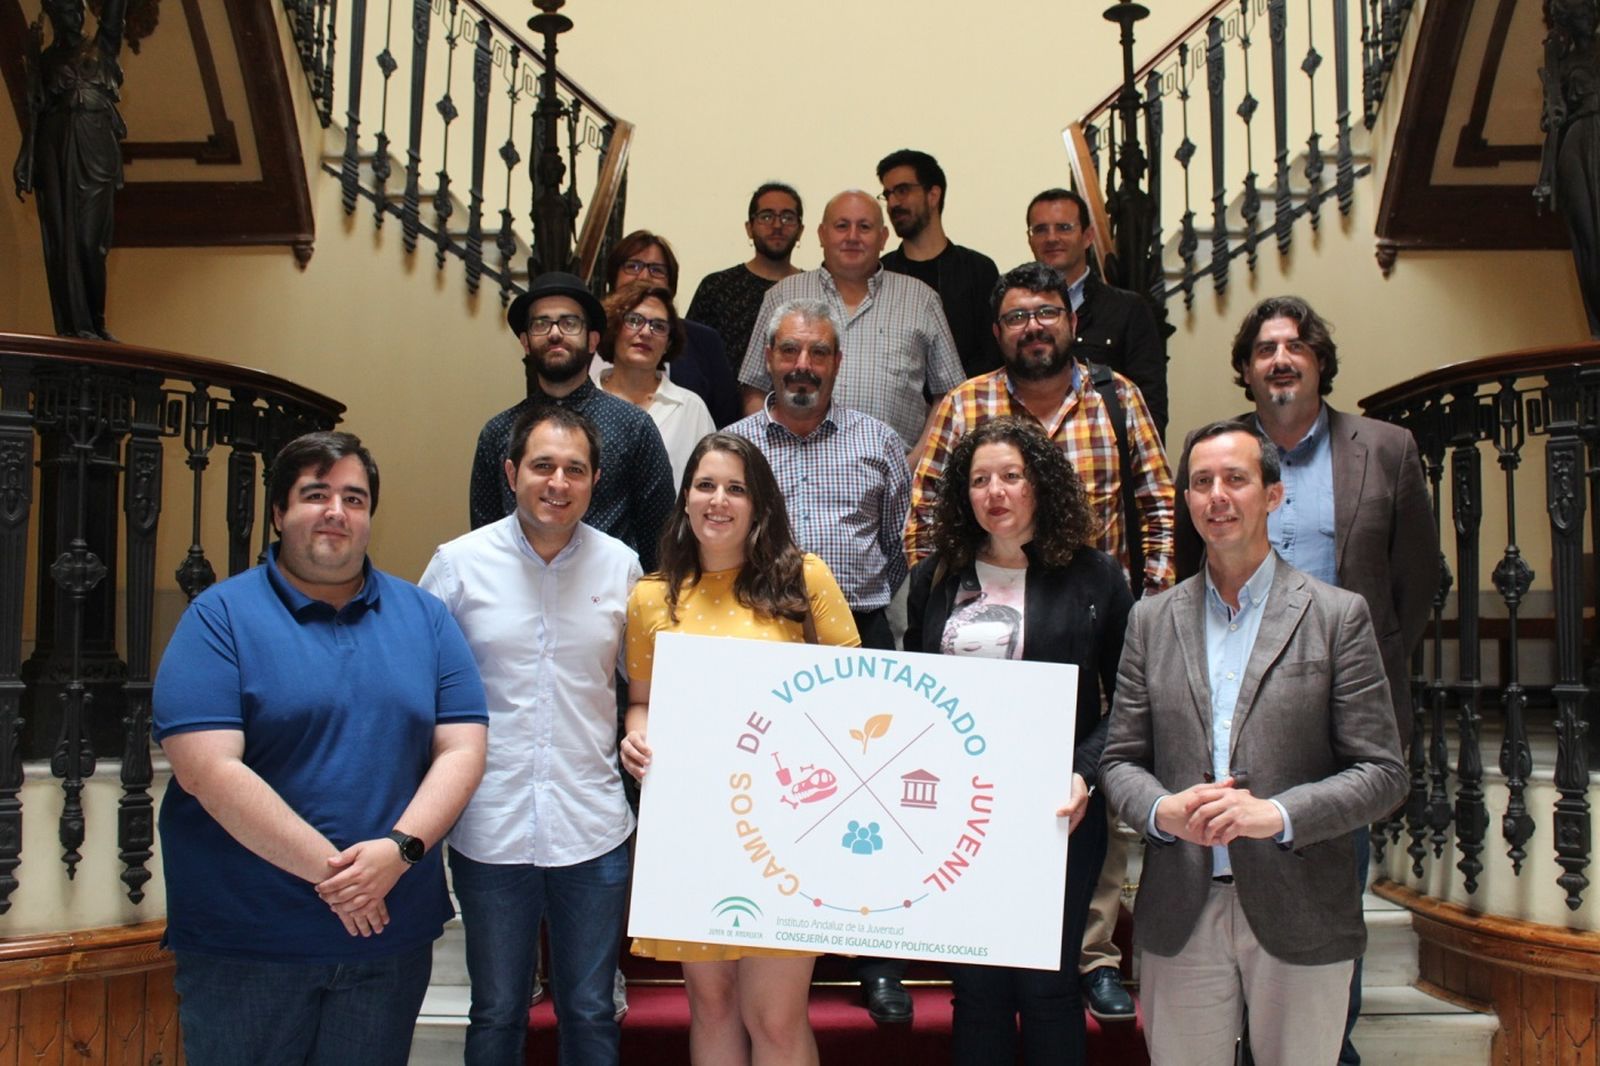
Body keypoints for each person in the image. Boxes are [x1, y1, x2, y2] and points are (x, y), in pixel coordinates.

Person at [153, 431, 489, 1065]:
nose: (336, 511)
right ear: (279, 513)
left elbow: (463, 749)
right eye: (316, 494)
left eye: (354, 499)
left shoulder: (425, 618)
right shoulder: (218, 618)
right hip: (248, 943)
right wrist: (345, 881)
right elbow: (207, 769)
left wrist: (399, 850)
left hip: (388, 941)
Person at [1173, 295, 1435, 1064]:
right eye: (1264, 349)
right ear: (1246, 369)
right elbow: (1196, 569)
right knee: (1231, 882)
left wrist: (1358, 670)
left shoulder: (1384, 449)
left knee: (1330, 888)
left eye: (1295, 346)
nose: (1280, 360)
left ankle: (1324, 1043)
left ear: (1319, 360)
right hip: (1232, 705)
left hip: (1337, 714)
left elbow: (1416, 580)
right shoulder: (1218, 453)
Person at [1099, 420, 1408, 1066]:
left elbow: (1382, 772)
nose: (1217, 496)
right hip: (1181, 910)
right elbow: (1121, 759)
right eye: (1201, 482)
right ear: (1187, 500)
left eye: (1235, 479)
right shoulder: (1150, 621)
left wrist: (1278, 814)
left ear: (1272, 494)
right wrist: (1160, 810)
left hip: (1303, 907)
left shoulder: (1336, 615)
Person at [621, 433, 861, 1066]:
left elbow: (857, 696)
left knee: (774, 1017)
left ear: (759, 503)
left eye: (736, 488)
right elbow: (642, 700)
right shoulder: (652, 596)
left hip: (788, 827)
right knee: (713, 1006)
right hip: (693, 828)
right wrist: (637, 735)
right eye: (705, 485)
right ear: (685, 499)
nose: (718, 500)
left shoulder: (804, 579)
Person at [904, 418, 1132, 1065]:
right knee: (976, 990)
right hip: (960, 813)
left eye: (1011, 476)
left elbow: (1130, 698)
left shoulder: (1095, 576)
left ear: (1041, 484)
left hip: (1059, 809)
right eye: (979, 480)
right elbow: (914, 695)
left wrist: (1085, 772)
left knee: (1048, 988)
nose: (994, 492)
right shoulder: (936, 578)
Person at [423, 406, 640, 1066]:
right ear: (512, 472)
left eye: (575, 469)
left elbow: (644, 687)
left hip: (592, 826)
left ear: (595, 480)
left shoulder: (622, 568)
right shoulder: (458, 566)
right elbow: (417, 686)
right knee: (496, 1011)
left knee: (591, 1010)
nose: (558, 483)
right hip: (490, 826)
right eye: (543, 466)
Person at [723, 298, 914, 1023]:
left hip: (858, 636)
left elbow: (899, 546)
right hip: (757, 638)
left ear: (838, 362)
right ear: (768, 360)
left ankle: (877, 959)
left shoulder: (879, 441)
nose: (802, 366)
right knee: (774, 793)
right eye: (789, 352)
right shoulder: (732, 446)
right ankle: (766, 941)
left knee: (869, 796)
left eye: (819, 353)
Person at [905, 261, 1174, 601]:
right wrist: (939, 605)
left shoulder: (1118, 397)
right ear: (997, 333)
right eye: (1016, 317)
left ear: (1072, 322)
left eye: (1047, 312)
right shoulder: (964, 405)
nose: (1033, 327)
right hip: (990, 615)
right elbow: (925, 516)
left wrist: (1150, 605)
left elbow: (1160, 509)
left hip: (1103, 612)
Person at [468, 270, 675, 571]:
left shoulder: (633, 427)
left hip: (610, 591)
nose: (555, 333)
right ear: (525, 342)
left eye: (569, 323)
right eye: (541, 323)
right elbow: (484, 540)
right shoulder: (498, 432)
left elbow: (660, 539)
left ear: (592, 340)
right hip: (516, 590)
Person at [737, 189, 966, 455]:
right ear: (822, 234)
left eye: (864, 227)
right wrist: (771, 457)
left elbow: (949, 397)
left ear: (883, 237)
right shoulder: (782, 295)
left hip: (893, 468)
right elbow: (754, 389)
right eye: (842, 226)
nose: (852, 237)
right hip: (793, 467)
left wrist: (912, 465)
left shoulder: (921, 299)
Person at [13, 0, 128, 339]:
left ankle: (96, 322)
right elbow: (34, 113)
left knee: (91, 243)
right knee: (64, 239)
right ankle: (76, 328)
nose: (74, 16)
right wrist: (25, 158)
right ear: (53, 15)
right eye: (65, 10)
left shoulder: (102, 45)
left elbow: (115, 12)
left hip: (95, 146)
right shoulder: (46, 59)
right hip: (55, 147)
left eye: (77, 10)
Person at [1025, 188, 1168, 438]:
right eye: (1041, 229)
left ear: (1088, 236)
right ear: (1030, 240)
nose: (1052, 238)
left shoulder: (1127, 309)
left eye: (1064, 228)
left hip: (1104, 453)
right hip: (1030, 449)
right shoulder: (1014, 314)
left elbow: (1150, 402)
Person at [877, 149, 1002, 378]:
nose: (893, 203)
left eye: (902, 190)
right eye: (888, 194)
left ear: (933, 195)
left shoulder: (978, 270)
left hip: (969, 397)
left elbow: (992, 353)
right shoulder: (880, 273)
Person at [606, 230, 742, 427]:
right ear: (613, 277)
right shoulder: (590, 334)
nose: (644, 276)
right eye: (633, 266)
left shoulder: (704, 341)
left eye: (656, 270)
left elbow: (726, 420)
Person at [593, 281, 715, 484]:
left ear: (668, 343)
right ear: (614, 329)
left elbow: (709, 483)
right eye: (634, 320)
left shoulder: (691, 409)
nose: (646, 332)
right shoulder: (583, 402)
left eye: (658, 326)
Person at [688, 182, 805, 363]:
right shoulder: (717, 288)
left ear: (800, 230)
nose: (777, 225)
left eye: (787, 217)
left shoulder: (813, 290)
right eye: (766, 216)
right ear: (749, 228)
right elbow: (689, 354)